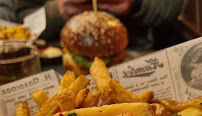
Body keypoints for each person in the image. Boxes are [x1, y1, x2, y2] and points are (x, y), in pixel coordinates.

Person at [16, 0, 183, 50]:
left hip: (138, 52)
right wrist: (58, 10)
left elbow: (173, 7)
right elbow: (23, 21)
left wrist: (135, 4)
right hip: (55, 59)